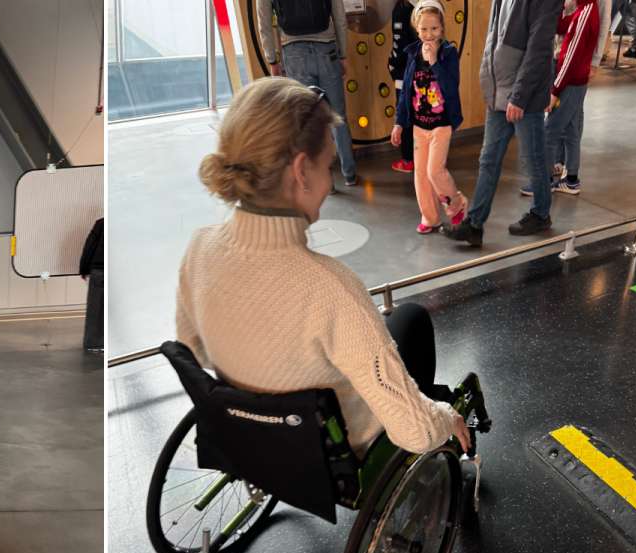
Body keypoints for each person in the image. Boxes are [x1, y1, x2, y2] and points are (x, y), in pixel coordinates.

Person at [176, 78, 470, 463]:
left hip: (247, 434)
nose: (330, 179)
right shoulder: (330, 288)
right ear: (301, 171)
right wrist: (447, 418)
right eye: (328, 164)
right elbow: (416, 433)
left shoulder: (199, 247)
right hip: (339, 448)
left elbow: (193, 352)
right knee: (411, 320)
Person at [444, 0, 562, 247]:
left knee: (533, 160)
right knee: (488, 160)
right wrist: (489, 88)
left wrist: (518, 96)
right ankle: (474, 225)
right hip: (499, 94)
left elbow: (539, 49)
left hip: (524, 97)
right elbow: (493, 41)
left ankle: (541, 214)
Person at [257, 0, 359, 188]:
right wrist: (343, 55)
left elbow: (263, 22)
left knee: (309, 121)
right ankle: (349, 174)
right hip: (327, 50)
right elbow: (339, 15)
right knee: (337, 116)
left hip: (293, 52)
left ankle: (326, 181)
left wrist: (272, 60)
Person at [391, 0, 467, 234]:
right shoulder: (413, 53)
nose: (429, 34)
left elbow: (450, 87)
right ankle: (430, 217)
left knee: (435, 171)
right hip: (419, 127)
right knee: (421, 175)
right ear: (416, 28)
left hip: (441, 125)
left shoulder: (448, 53)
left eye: (434, 28)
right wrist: (398, 123)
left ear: (442, 28)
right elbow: (405, 93)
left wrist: (434, 62)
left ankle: (456, 204)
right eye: (424, 29)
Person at [528, 0, 600, 198]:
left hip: (571, 83)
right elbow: (559, 26)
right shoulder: (582, 9)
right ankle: (571, 180)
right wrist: (559, 7)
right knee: (570, 130)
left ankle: (544, 182)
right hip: (574, 81)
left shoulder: (585, 13)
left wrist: (555, 90)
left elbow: (570, 58)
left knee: (550, 130)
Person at [388, 0, 421, 174]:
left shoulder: (401, 10)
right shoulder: (428, 6)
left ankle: (408, 160)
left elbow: (398, 46)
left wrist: (392, 65)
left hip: (404, 74)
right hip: (425, 73)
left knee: (405, 113)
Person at [80, 217, 104, 352]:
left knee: (96, 309)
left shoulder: (101, 223)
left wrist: (84, 269)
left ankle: (94, 344)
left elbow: (89, 246)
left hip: (99, 270)